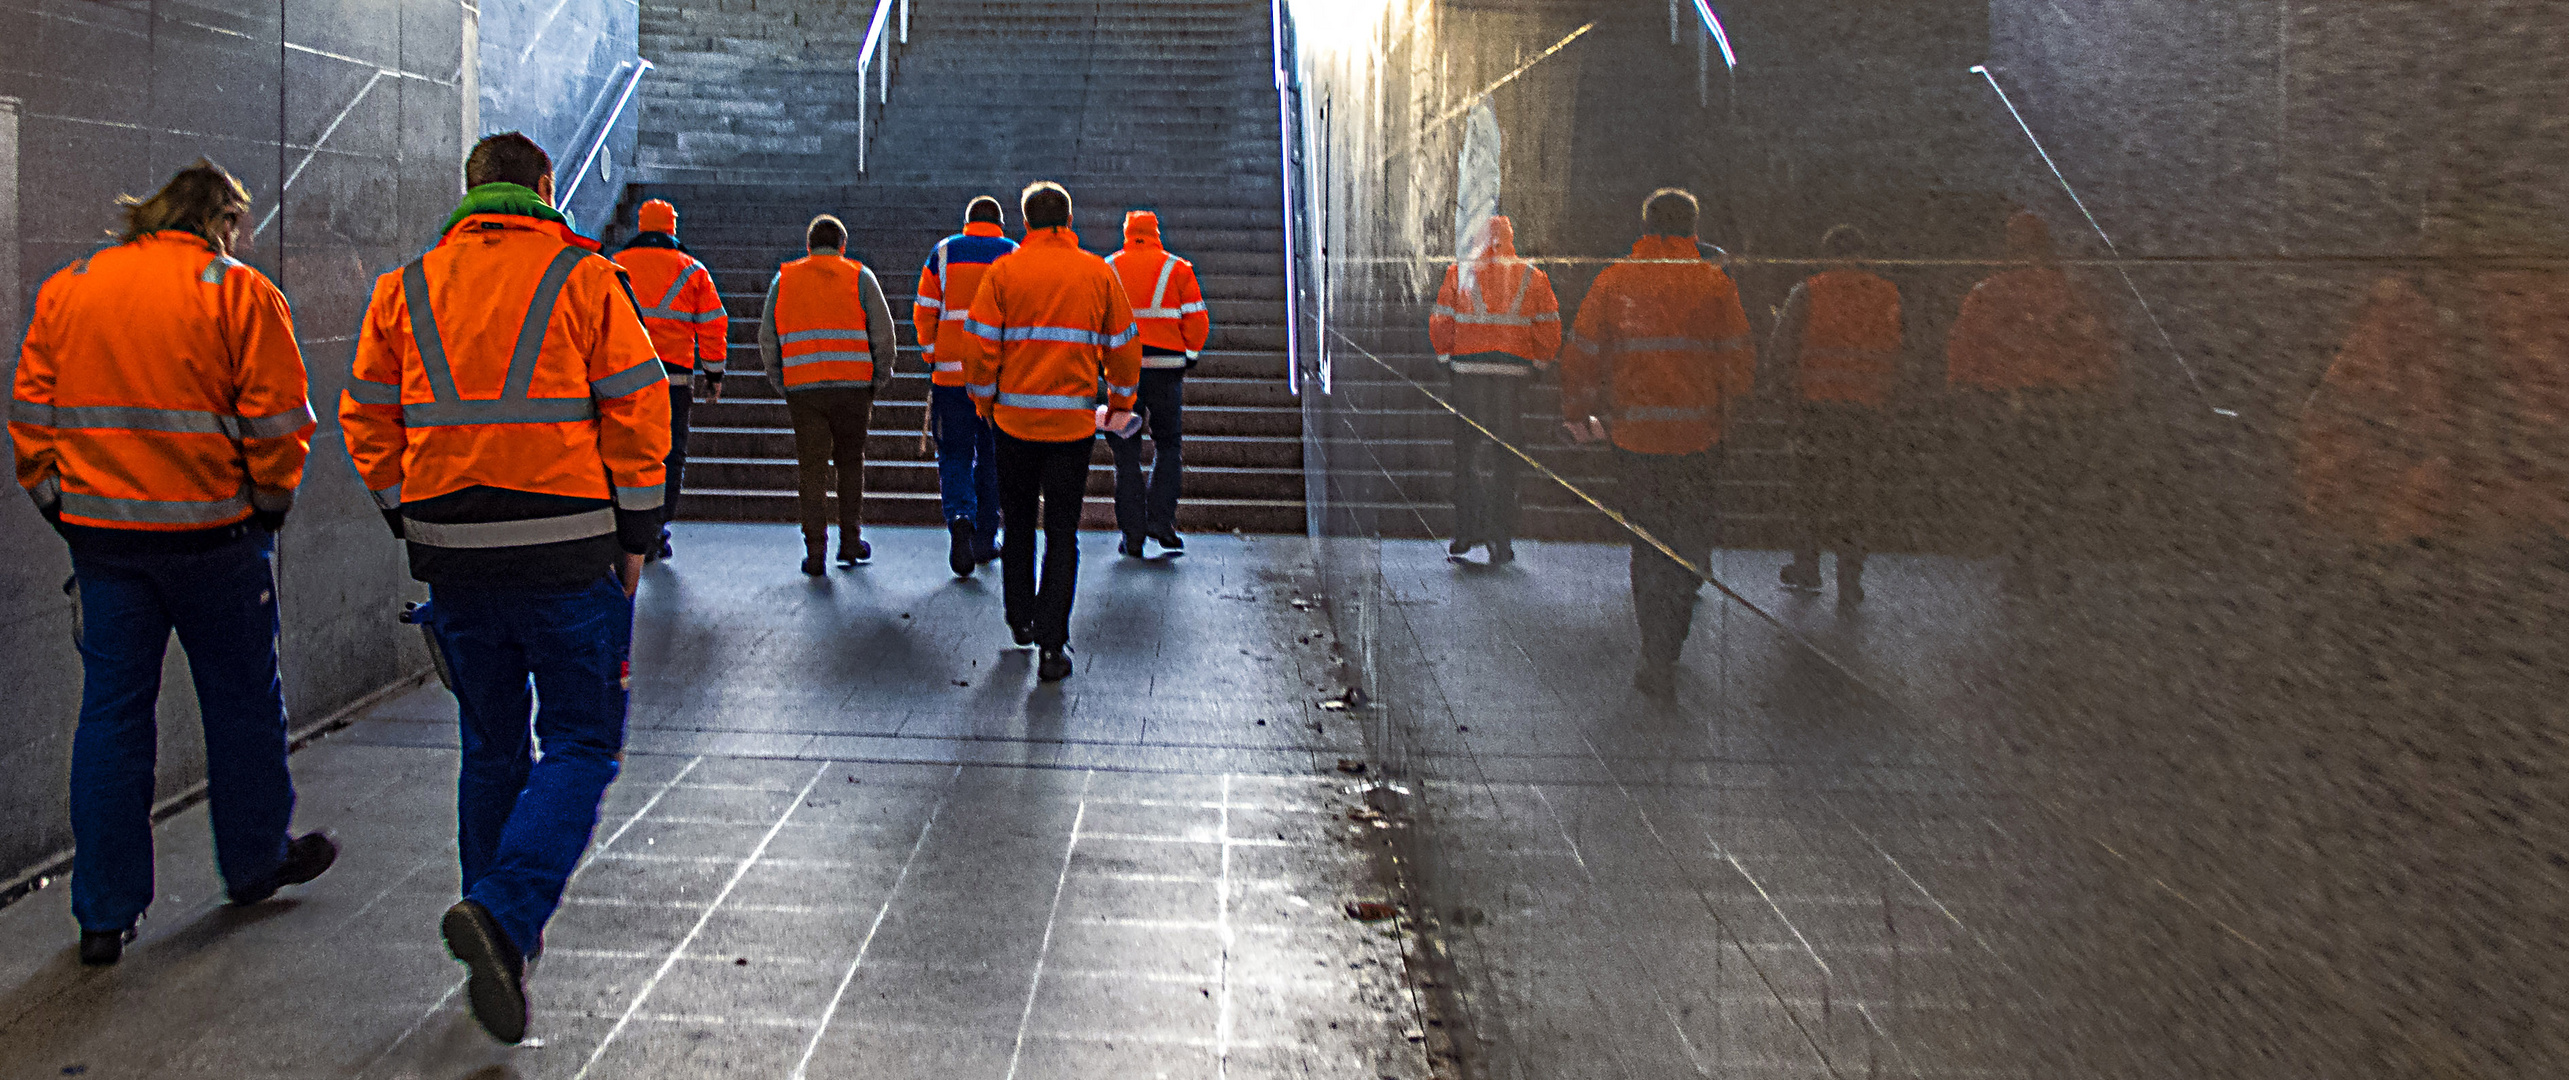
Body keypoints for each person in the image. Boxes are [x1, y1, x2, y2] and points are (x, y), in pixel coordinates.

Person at [340, 132, 669, 1044]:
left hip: (456, 559)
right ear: (545, 187)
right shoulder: (584, 277)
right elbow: (639, 410)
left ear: (470, 190)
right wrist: (636, 535)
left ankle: (497, 945)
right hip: (568, 554)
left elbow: (366, 419)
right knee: (581, 742)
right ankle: (502, 915)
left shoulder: (404, 289)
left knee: (489, 749)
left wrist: (411, 516)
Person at [11, 159, 336, 966]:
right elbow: (278, 423)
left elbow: (31, 413)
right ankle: (256, 862)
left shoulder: (70, 286)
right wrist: (268, 505)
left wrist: (61, 505)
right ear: (221, 221)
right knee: (243, 705)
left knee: (112, 717)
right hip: (215, 541)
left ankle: (103, 913)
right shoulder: (239, 294)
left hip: (105, 545)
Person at [1559, 188, 1755, 697]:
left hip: (1635, 436)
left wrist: (1578, 413)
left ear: (1645, 226)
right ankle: (1672, 638)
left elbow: (1581, 352)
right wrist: (1732, 417)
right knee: (1687, 540)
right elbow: (1738, 360)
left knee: (1646, 542)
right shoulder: (1714, 283)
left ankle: (1654, 651)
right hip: (1698, 437)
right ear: (1694, 227)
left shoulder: (1615, 279)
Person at [953, 181, 1142, 681]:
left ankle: (1020, 620)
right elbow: (1124, 348)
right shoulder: (1096, 273)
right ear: (1069, 219)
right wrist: (1120, 404)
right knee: (1062, 533)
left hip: (1012, 424)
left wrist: (983, 400)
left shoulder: (1004, 272)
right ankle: (1053, 645)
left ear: (1026, 221)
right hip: (1072, 427)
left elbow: (978, 347)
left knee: (1016, 526)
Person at [1944, 211, 2119, 571]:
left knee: (2016, 485)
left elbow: (1965, 347)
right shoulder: (2071, 295)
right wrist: (2094, 388)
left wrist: (1964, 390)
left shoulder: (1987, 292)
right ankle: (2054, 561)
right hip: (2062, 404)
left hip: (2006, 403)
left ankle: (2020, 561)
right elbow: (2095, 348)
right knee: (2056, 485)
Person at [1769, 224, 1904, 604]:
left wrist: (1785, 399)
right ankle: (1850, 576)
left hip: (1816, 409)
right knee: (1857, 494)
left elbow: (1782, 351)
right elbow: (1899, 352)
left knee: (1810, 492)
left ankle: (1808, 567)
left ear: (1826, 254)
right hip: (1866, 409)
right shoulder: (1886, 293)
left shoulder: (1808, 292)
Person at [761, 214, 897, 575]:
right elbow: (883, 334)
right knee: (850, 463)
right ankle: (850, 542)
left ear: (808, 245)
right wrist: (878, 377)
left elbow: (767, 336)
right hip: (853, 386)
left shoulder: (784, 279)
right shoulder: (860, 277)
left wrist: (781, 379)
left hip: (803, 389)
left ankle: (815, 552)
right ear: (842, 246)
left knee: (812, 469)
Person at [1428, 214, 1559, 564]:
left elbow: (1441, 319)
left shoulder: (1460, 272)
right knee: (1507, 457)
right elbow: (1548, 325)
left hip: (1468, 372)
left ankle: (1466, 530)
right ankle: (1501, 537)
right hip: (1512, 375)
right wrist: (1539, 364)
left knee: (1466, 455)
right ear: (1510, 238)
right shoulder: (1532, 275)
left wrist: (1445, 359)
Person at [610, 198, 728, 560]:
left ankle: (622, 527)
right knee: (669, 454)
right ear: (671, 227)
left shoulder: (614, 265)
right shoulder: (692, 271)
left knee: (622, 452)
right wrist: (713, 373)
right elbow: (712, 324)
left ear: (640, 225)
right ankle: (657, 529)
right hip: (673, 378)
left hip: (621, 376)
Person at [915, 196, 1016, 575]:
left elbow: (924, 309)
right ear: (1000, 224)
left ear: (967, 222)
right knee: (991, 457)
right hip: (997, 380)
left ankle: (959, 517)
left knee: (955, 453)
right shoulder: (1012, 254)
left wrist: (932, 353)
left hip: (950, 377)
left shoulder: (943, 253)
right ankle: (985, 539)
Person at [1105, 209, 1212, 557]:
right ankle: (1162, 522)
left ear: (1127, 232)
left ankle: (1131, 535)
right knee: (1168, 446)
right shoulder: (1177, 268)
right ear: (1155, 232)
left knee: (1126, 452)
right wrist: (1190, 355)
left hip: (1123, 369)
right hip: (1167, 367)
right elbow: (1197, 320)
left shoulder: (1108, 267)